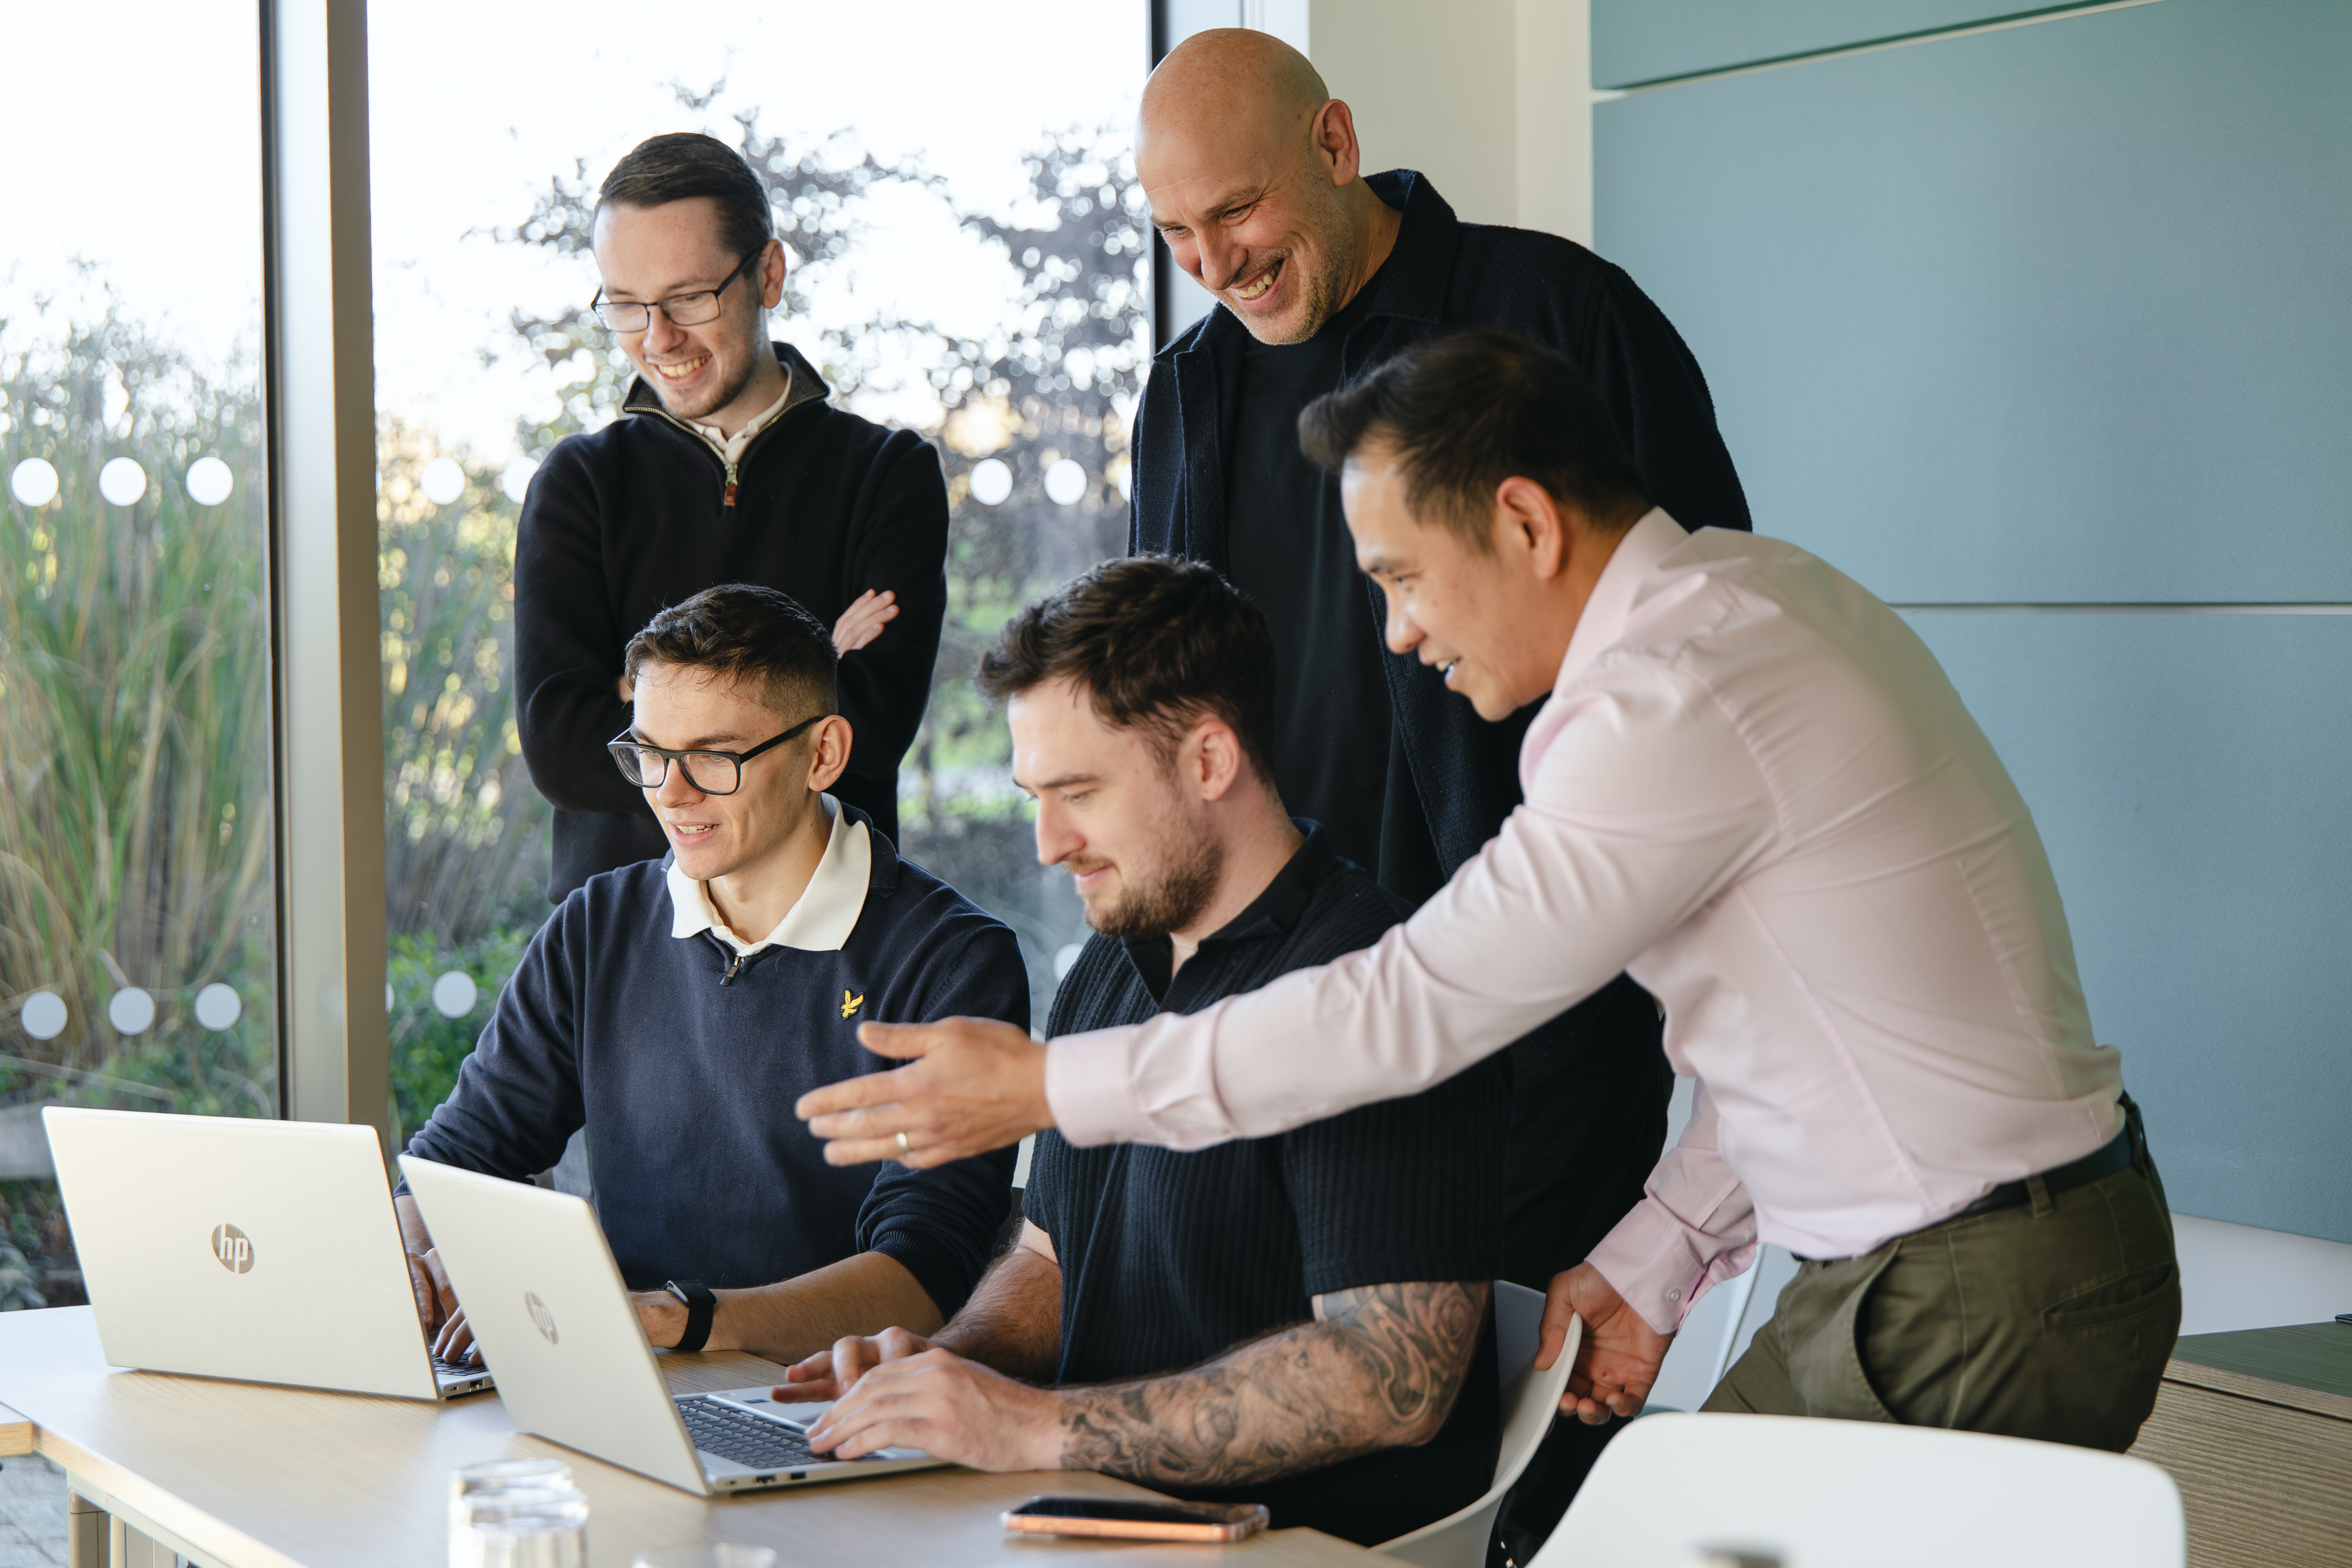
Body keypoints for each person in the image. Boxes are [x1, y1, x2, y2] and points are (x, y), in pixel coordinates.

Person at [799, 331, 2184, 1455]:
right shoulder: (1755, 605)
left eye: (1402, 576)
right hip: (1972, 1256)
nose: (1397, 631)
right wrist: (1659, 1257)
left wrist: (1046, 1090)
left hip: (1971, 1279)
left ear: (1523, 521)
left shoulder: (1669, 699)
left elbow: (1412, 1009)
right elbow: (1817, 1038)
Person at [1128, 29, 1756, 1534]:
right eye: (1175, 234)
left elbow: (1711, 650)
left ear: (1336, 147)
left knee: (1512, 1477)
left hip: (1548, 1039)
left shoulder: (1563, 315)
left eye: (1241, 212)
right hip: (1300, 1041)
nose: (1215, 261)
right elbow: (1170, 720)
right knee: (1315, 1477)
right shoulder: (1191, 395)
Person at [778, 557, 1508, 1546]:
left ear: (1210, 761)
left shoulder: (1378, 987)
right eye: (1034, 793)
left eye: (1077, 791)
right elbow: (1051, 1262)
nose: (1046, 843)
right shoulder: (1113, 964)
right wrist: (944, 1374)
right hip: (1080, 1525)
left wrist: (1031, 1426)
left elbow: (1391, 1380)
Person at [400, 584, 1023, 1366]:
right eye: (650, 754)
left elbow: (923, 1280)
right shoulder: (599, 926)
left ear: (822, 753)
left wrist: (684, 1320)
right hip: (612, 1373)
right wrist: (419, 1260)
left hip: (826, 1410)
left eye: (713, 758)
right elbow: (453, 1160)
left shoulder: (953, 961)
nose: (670, 791)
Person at [516, 131, 946, 901]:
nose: (658, 339)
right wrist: (812, 670)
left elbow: (871, 734)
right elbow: (561, 750)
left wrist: (637, 699)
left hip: (833, 937)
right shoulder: (579, 483)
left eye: (688, 298)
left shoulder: (888, 474)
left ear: (768, 274)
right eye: (625, 306)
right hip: (621, 941)